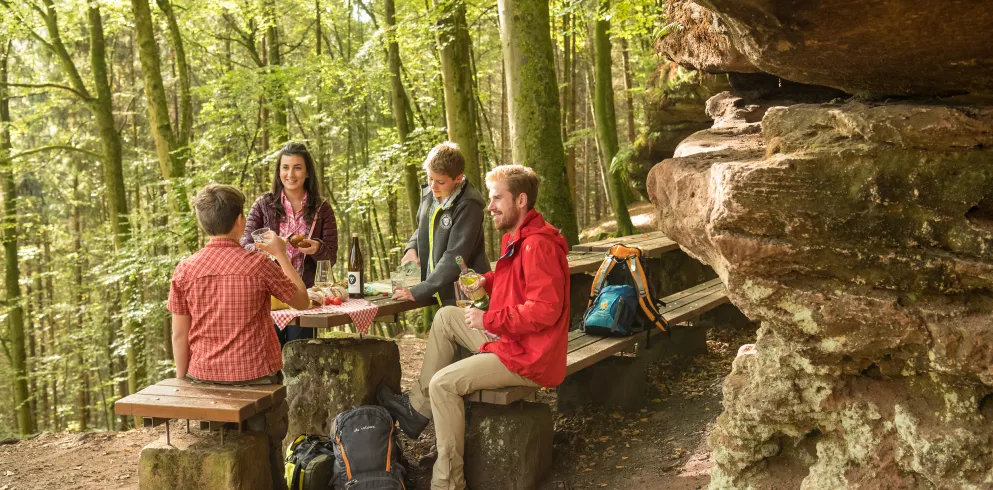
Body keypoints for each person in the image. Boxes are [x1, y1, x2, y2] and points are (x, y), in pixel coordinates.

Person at [379, 165, 571, 490]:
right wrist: (487, 279)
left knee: (444, 384)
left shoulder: (539, 246)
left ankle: (448, 483)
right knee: (446, 317)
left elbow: (544, 311)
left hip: (529, 358)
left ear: (521, 200)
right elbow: (518, 282)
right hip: (514, 341)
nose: (491, 205)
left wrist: (489, 320)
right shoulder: (519, 238)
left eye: (498, 198)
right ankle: (418, 409)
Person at [169, 184, 310, 490]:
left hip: (204, 383)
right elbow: (302, 301)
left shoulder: (185, 270)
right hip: (258, 381)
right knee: (269, 454)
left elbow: (179, 335)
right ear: (238, 222)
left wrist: (185, 384)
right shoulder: (259, 265)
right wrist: (282, 255)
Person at [241, 141, 338, 345]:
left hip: (304, 297)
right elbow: (244, 246)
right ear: (278, 172)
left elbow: (331, 257)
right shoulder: (263, 205)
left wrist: (317, 248)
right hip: (269, 297)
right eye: (285, 167)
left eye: (297, 167)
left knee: (300, 356)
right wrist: (271, 249)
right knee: (271, 357)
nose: (290, 174)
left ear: (307, 172)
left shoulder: (322, 208)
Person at [392, 142, 489, 306]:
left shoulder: (469, 206)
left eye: (440, 182)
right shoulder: (431, 193)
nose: (433, 185)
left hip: (466, 291)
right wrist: (411, 248)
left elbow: (454, 257)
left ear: (458, 178)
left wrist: (419, 290)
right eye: (430, 178)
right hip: (436, 287)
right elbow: (423, 228)